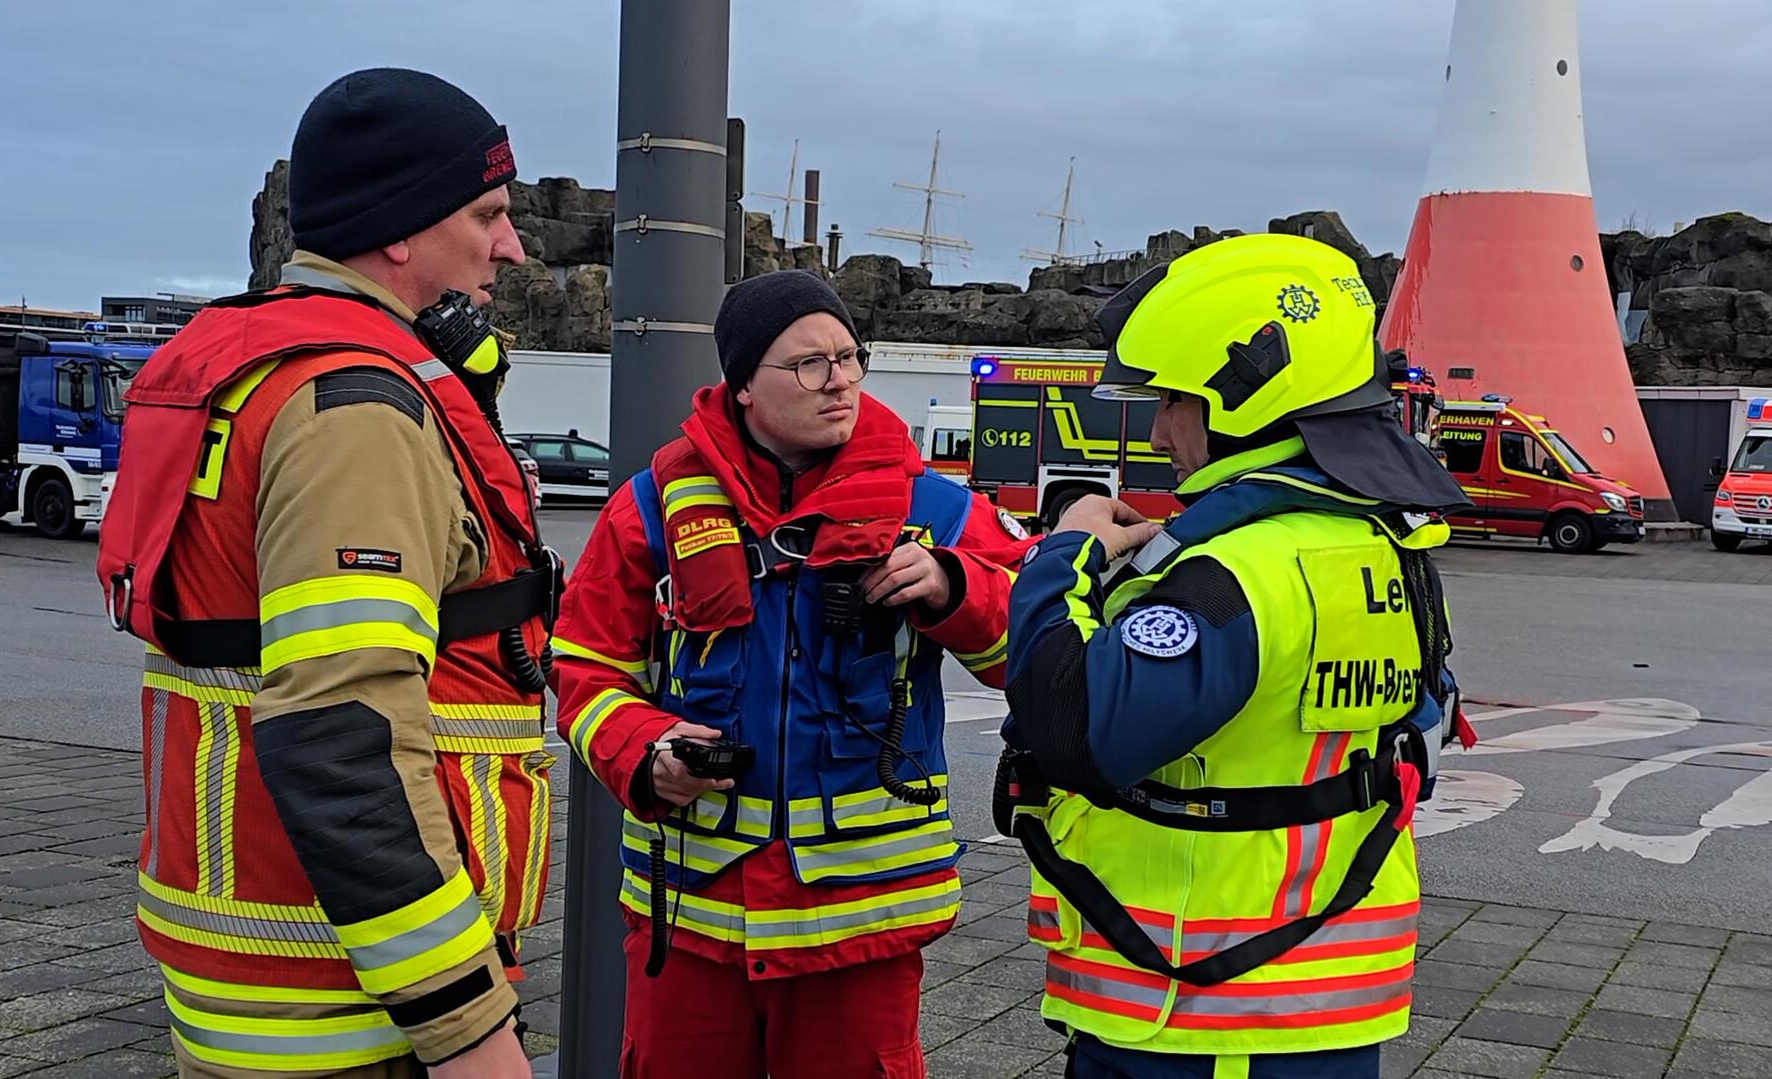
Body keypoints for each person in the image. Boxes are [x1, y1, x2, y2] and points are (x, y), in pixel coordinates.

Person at [97, 68, 554, 1078]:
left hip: (261, 967)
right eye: (486, 213)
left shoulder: (253, 361)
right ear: (399, 228)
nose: (510, 246)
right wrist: (470, 1027)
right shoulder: (354, 411)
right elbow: (341, 738)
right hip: (356, 1006)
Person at [996, 234, 1475, 1079]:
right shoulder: (1386, 543)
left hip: (1199, 1014)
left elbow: (1073, 732)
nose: (1156, 427)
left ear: (1242, 400)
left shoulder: (1235, 572)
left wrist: (1060, 558)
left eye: (1173, 399)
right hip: (1315, 1001)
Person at [550, 270, 1033, 1079]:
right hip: (694, 918)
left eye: (849, 356)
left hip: (862, 928)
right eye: (810, 363)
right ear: (742, 386)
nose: (839, 379)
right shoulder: (651, 508)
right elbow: (585, 667)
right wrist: (646, 750)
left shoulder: (935, 509)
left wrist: (957, 588)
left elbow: (1032, 655)